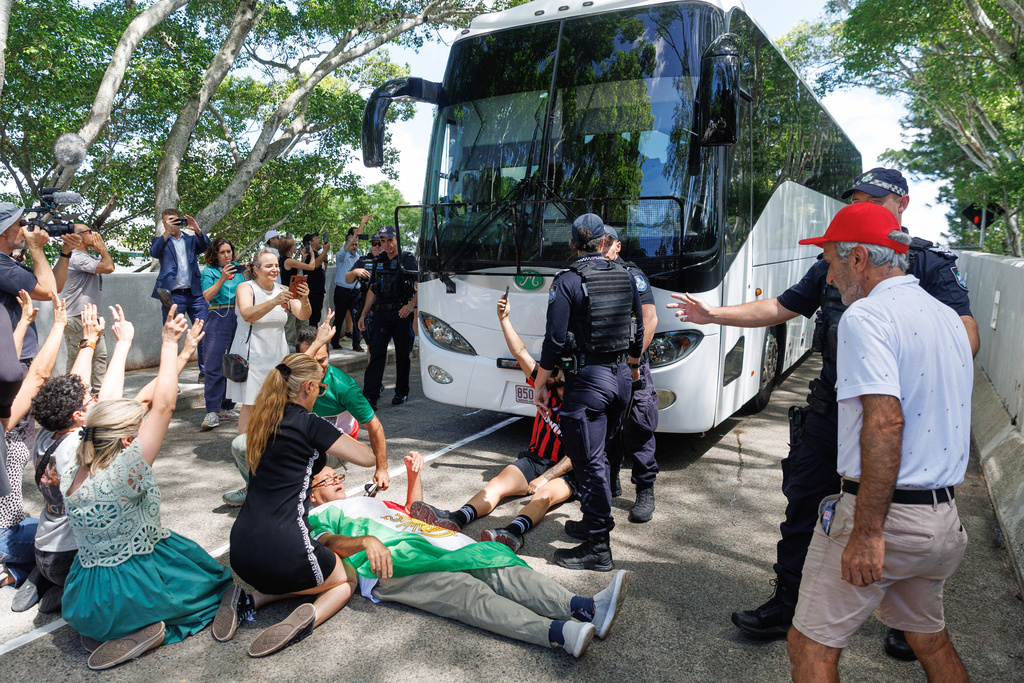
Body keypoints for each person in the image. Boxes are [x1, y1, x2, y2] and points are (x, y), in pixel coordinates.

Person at [667, 168, 979, 659]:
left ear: (902, 204)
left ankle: (900, 623)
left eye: (873, 199)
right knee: (802, 506)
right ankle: (788, 599)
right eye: (856, 198)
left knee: (891, 518)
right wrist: (714, 315)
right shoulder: (841, 258)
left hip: (895, 413)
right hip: (832, 410)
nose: (863, 205)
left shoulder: (926, 266)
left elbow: (964, 340)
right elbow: (782, 306)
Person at [785, 201, 972, 682]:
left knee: (809, 645)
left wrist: (868, 533)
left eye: (829, 262)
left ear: (859, 259)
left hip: (887, 520)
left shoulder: (866, 319)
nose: (827, 278)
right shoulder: (949, 318)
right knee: (929, 640)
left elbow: (886, 423)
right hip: (941, 520)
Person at [298, 453, 630, 658]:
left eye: (337, 475)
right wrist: (365, 542)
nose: (335, 479)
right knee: (467, 595)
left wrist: (414, 476)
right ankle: (558, 633)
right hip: (392, 566)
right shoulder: (316, 516)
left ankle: (585, 608)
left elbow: (413, 513)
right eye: (326, 478)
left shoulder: (371, 500)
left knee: (498, 563)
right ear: (313, 494)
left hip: (433, 543)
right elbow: (326, 545)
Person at [60, 307, 232, 671]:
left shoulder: (72, 460)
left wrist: (128, 344)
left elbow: (105, 407)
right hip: (131, 593)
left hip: (86, 602)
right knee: (216, 584)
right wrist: (168, 344)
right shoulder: (127, 470)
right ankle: (152, 628)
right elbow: (165, 407)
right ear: (126, 439)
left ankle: (107, 632)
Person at [16, 304, 203, 614]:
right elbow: (143, 403)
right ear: (79, 416)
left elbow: (76, 388)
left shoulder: (47, 434)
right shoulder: (84, 444)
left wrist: (90, 341)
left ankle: (41, 578)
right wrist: (156, 348)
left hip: (44, 548)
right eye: (91, 398)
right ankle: (65, 587)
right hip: (69, 558)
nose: (96, 396)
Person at [213, 353, 376, 658]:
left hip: (241, 553)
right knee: (346, 578)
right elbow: (367, 457)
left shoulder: (263, 419)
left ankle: (250, 600)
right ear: (309, 387)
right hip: (286, 550)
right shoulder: (309, 422)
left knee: (286, 572)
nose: (322, 395)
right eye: (322, 390)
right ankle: (305, 620)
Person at [410, 295, 575, 553]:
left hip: (566, 470)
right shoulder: (546, 384)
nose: (543, 371)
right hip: (535, 459)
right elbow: (519, 351)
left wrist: (544, 478)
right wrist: (504, 318)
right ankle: (456, 517)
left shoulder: (584, 402)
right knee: (496, 484)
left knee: (543, 497)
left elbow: (579, 454)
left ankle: (511, 533)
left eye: (551, 368)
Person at [534, 214, 644, 572]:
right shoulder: (628, 275)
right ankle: (591, 520)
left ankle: (598, 545)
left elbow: (553, 340)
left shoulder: (567, 280)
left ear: (572, 244)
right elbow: (638, 332)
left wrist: (540, 381)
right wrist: (631, 366)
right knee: (604, 452)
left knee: (588, 460)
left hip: (588, 381)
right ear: (602, 242)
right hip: (621, 378)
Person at [221, 317, 391, 508]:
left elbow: (373, 426)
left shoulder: (343, 387)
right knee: (242, 444)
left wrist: (382, 468)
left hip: (334, 447)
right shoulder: (289, 380)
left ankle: (291, 495)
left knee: (295, 451)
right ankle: (256, 490)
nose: (318, 367)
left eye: (323, 360)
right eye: (311, 361)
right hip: (302, 438)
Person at [1, 293, 76, 590]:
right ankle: (40, 575)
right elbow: (37, 375)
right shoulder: (2, 422)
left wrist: (24, 323)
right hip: (7, 535)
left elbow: (6, 370)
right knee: (68, 526)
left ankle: (16, 574)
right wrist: (58, 325)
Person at [601, 226, 660, 523]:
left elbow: (649, 320)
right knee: (606, 423)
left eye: (609, 243)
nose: (604, 248)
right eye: (600, 242)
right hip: (601, 363)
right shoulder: (590, 272)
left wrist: (633, 360)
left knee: (638, 423)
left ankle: (645, 487)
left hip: (631, 361)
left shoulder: (632, 275)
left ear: (618, 246)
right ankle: (611, 480)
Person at [225, 248, 310, 436]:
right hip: (251, 355)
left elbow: (303, 314)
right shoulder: (245, 287)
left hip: (277, 355)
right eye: (269, 266)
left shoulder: (284, 290)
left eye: (277, 265)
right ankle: (245, 448)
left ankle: (270, 445)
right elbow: (247, 314)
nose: (275, 269)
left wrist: (304, 299)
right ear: (256, 269)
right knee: (251, 404)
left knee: (278, 402)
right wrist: (274, 302)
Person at [357, 226, 417, 409]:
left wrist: (410, 305)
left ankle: (401, 392)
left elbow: (421, 285)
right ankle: (370, 396)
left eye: (389, 240)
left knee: (402, 355)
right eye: (383, 241)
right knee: (376, 354)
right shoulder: (379, 261)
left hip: (401, 313)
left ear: (396, 239)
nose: (387, 245)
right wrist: (363, 315)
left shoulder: (408, 260)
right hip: (381, 314)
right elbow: (373, 289)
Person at [53, 224, 115, 394]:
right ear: (78, 237)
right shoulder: (77, 257)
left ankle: (98, 395)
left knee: (99, 356)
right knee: (78, 358)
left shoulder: (83, 256)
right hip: (77, 318)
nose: (94, 234)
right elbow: (109, 267)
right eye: (89, 232)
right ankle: (71, 398)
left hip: (89, 317)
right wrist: (102, 249)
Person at [149, 208, 211, 377]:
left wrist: (197, 230)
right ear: (164, 222)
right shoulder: (160, 241)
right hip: (173, 295)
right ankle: (169, 375)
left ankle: (205, 373)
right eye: (170, 220)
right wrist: (166, 234)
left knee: (203, 331)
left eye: (177, 220)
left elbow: (207, 247)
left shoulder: (190, 240)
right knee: (172, 334)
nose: (174, 224)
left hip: (195, 293)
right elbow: (154, 252)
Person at [0, 202, 58, 365]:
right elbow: (49, 292)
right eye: (21, 224)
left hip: (16, 352)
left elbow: (55, 285)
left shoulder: (8, 262)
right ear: (4, 232)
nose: (26, 229)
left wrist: (66, 252)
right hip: (12, 356)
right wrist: (36, 248)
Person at [199, 238, 246, 431]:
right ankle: (212, 410)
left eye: (229, 251)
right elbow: (207, 296)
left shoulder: (238, 273)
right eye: (222, 252)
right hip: (218, 315)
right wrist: (222, 277)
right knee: (214, 364)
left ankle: (227, 406)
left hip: (238, 315)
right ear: (215, 255)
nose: (227, 256)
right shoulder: (208, 272)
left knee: (235, 362)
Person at [332, 215, 372, 351]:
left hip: (356, 292)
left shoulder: (360, 256)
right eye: (352, 244)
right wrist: (362, 223)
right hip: (342, 292)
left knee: (358, 318)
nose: (354, 246)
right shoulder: (341, 256)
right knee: (339, 318)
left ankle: (356, 344)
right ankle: (335, 341)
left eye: (356, 244)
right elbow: (350, 242)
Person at [278, 235, 315, 349]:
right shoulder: (288, 261)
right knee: (291, 323)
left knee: (301, 321)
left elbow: (296, 270)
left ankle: (300, 343)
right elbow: (311, 267)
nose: (295, 247)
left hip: (294, 293)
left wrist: (303, 258)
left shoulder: (286, 261)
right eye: (293, 245)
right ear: (288, 247)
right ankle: (289, 344)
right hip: (290, 294)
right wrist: (312, 254)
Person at [301, 233, 331, 328]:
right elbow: (315, 265)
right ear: (310, 242)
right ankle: (311, 340)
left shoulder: (317, 255)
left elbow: (322, 269)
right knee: (312, 319)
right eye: (316, 238)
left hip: (318, 292)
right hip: (313, 292)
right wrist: (325, 250)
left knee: (316, 318)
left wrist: (325, 260)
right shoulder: (309, 255)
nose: (319, 240)